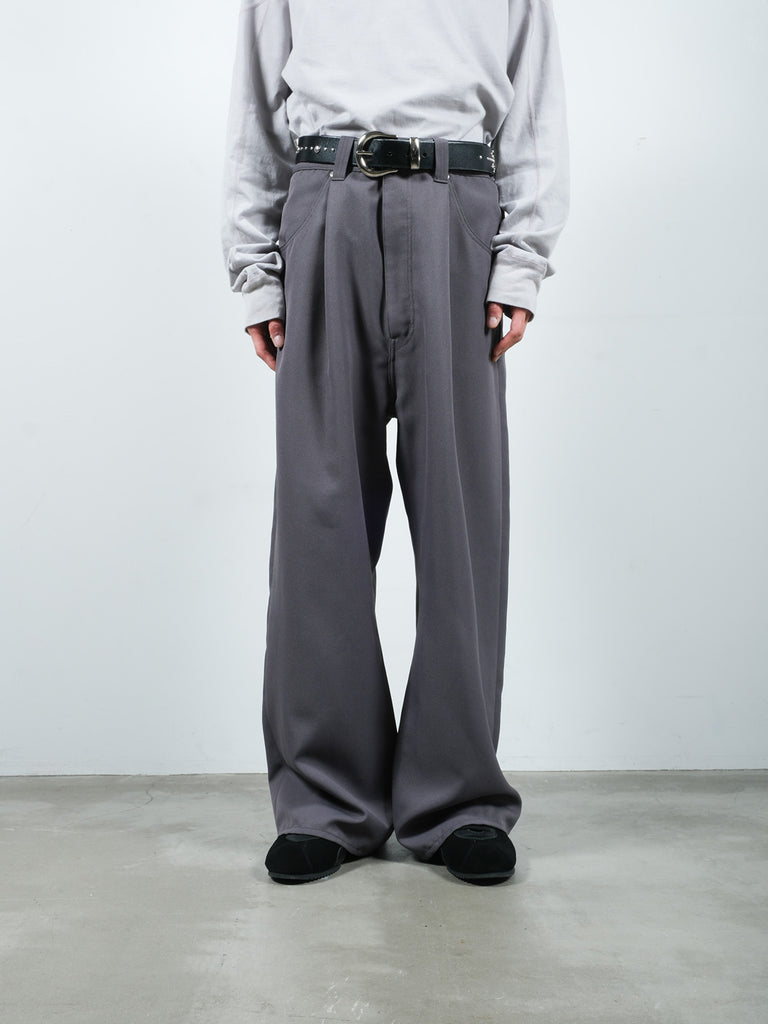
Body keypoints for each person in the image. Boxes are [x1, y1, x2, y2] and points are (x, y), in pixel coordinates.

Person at [221, 0, 569, 886]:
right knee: (319, 521)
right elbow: (256, 108)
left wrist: (522, 260)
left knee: (459, 521)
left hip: (458, 209)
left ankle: (458, 801)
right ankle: (325, 802)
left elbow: (533, 105)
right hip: (324, 201)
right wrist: (257, 273)